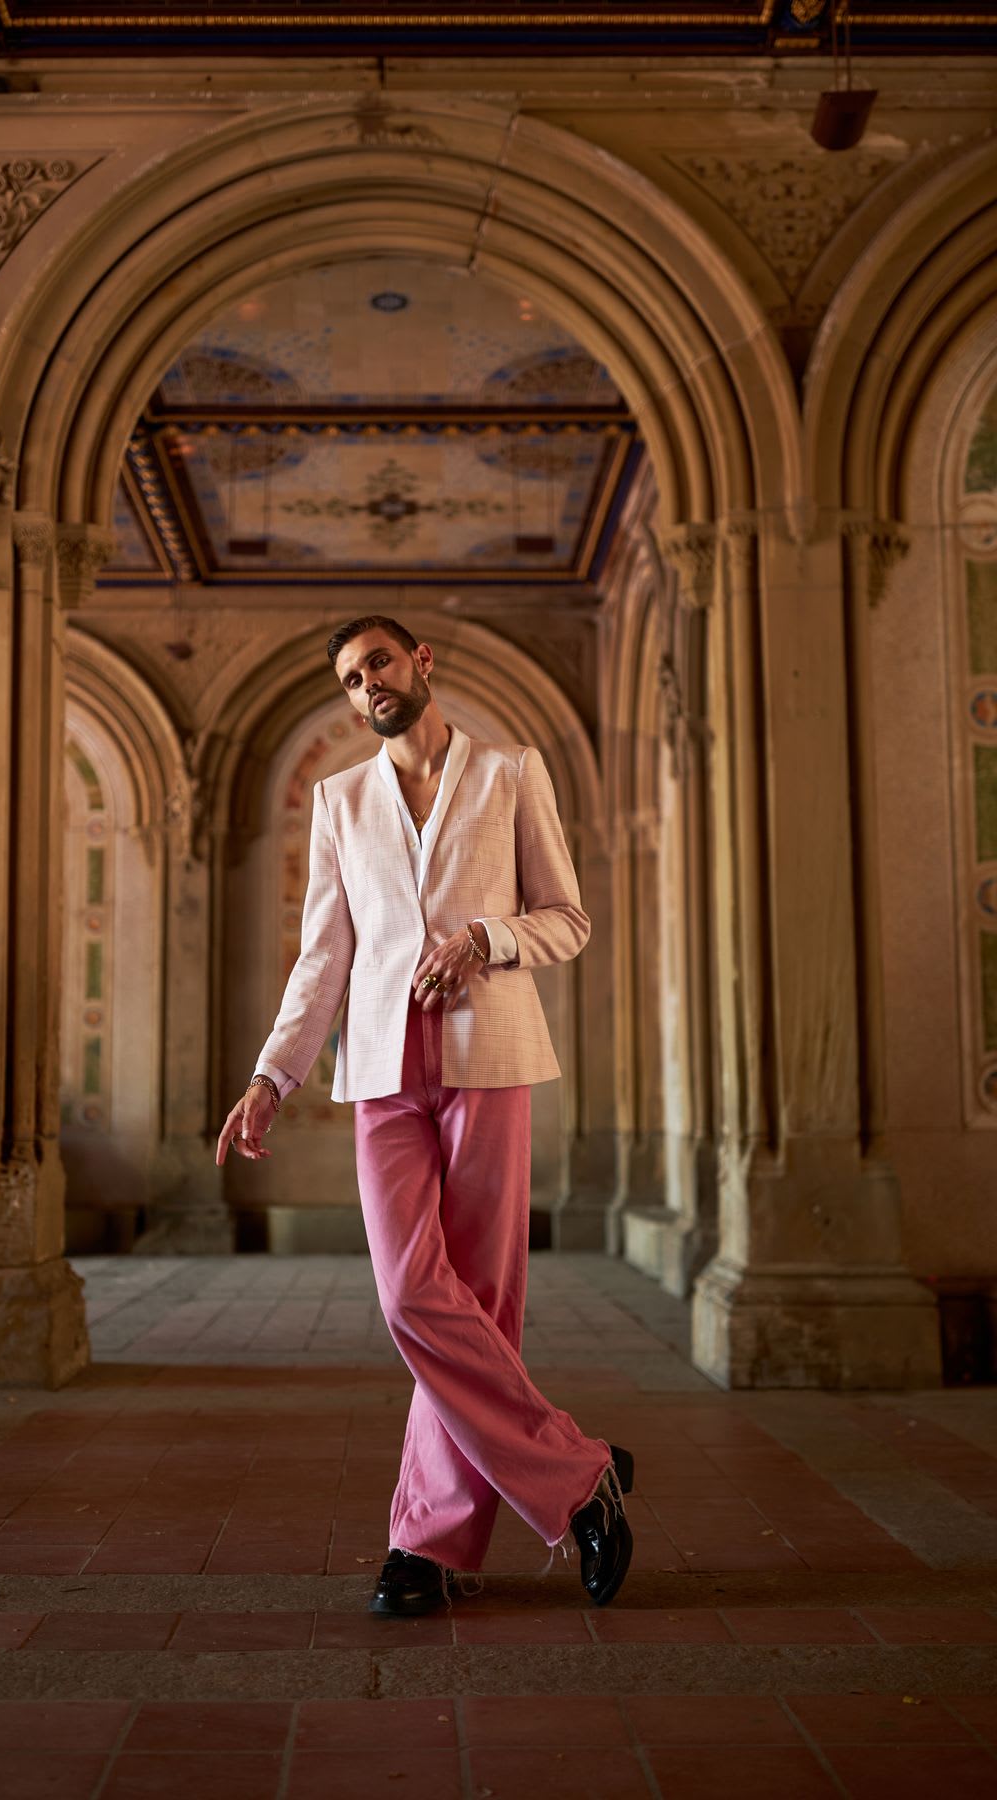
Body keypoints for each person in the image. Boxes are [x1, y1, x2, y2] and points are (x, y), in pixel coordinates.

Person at [216, 616, 634, 1616]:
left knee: (478, 1309)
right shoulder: (340, 800)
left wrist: (486, 938)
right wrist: (273, 1074)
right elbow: (324, 954)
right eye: (353, 680)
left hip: (488, 1059)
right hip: (380, 1072)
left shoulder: (509, 772)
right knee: (413, 1298)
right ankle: (579, 1474)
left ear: (422, 664)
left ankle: (425, 1545)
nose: (369, 688)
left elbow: (566, 919)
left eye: (381, 665)